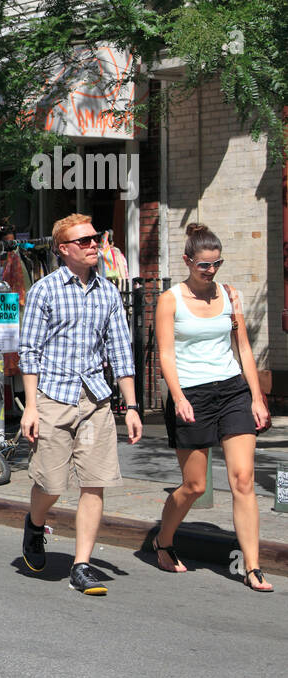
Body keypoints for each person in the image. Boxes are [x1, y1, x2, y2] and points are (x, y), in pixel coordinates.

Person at [18, 213, 144, 596]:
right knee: (51, 484)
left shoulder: (107, 292)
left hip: (94, 400)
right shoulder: (45, 290)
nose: (93, 245)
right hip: (53, 397)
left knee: (95, 483)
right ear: (64, 249)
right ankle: (35, 525)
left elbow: (121, 351)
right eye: (84, 241)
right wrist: (30, 406)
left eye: (95, 239)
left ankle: (82, 564)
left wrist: (133, 406)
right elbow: (29, 351)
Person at [155, 224, 273, 591]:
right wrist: (178, 397)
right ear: (188, 260)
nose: (211, 271)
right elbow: (166, 354)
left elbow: (243, 350)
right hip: (191, 393)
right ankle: (163, 540)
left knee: (243, 479)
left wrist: (255, 396)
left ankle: (252, 566)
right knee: (194, 485)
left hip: (232, 391)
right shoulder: (170, 299)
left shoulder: (231, 296)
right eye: (204, 265)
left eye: (216, 263)